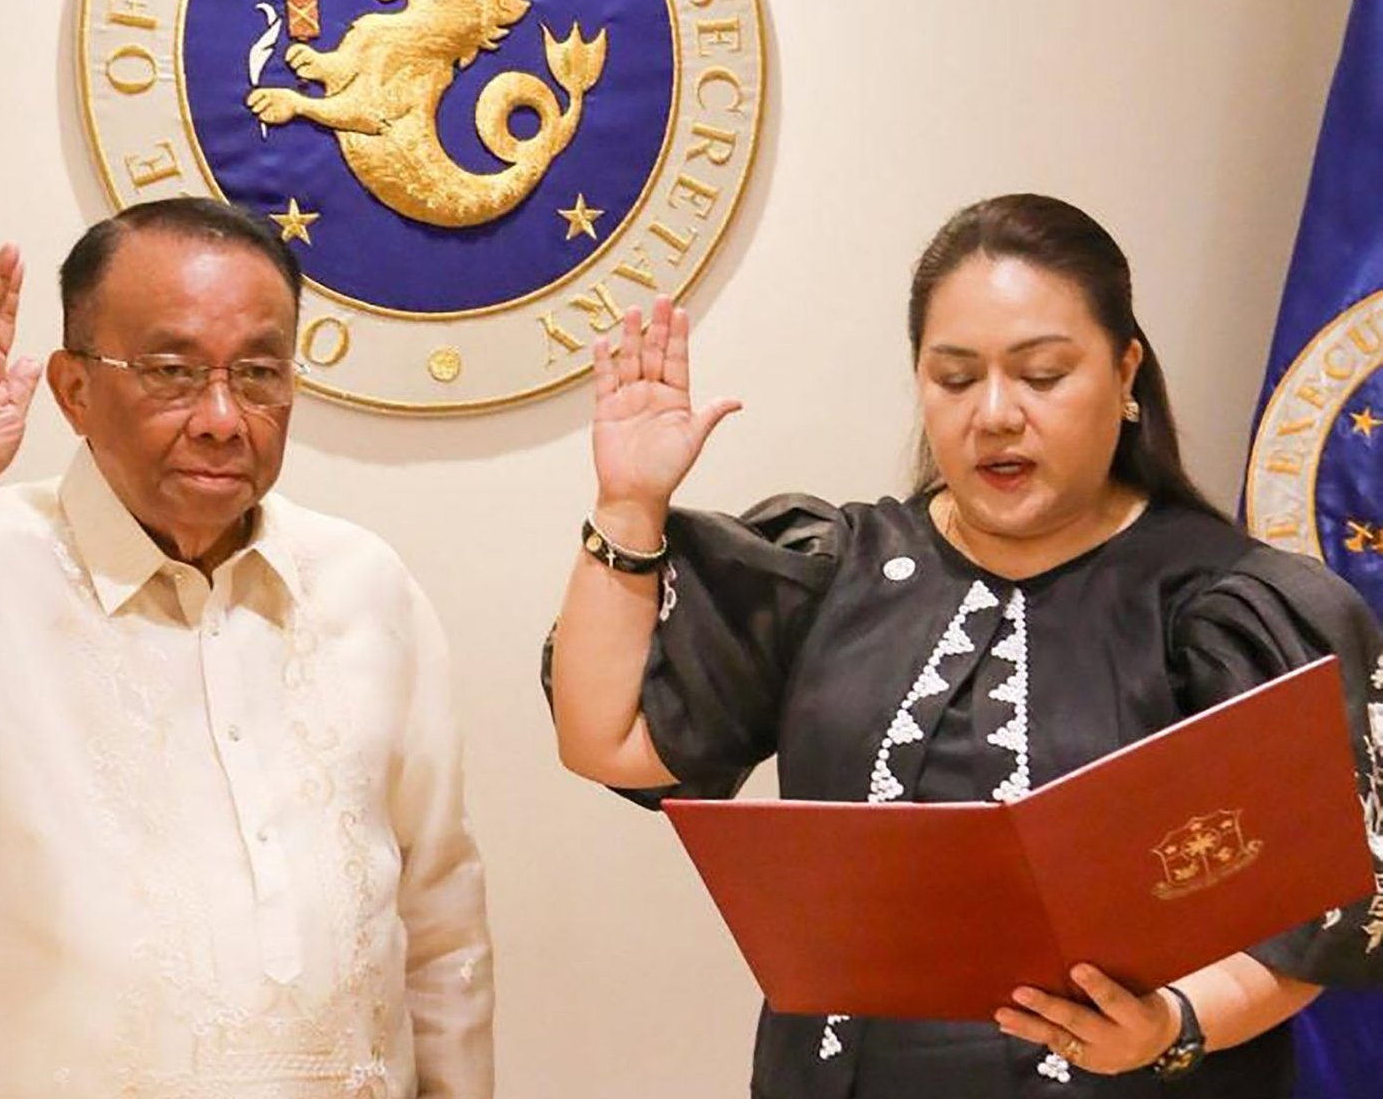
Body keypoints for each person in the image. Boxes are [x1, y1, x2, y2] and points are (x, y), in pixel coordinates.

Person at [544, 193, 1383, 1098]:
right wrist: (628, 506)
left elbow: (1310, 917)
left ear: (1125, 372)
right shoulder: (838, 567)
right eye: (954, 378)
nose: (994, 413)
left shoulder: (1227, 607)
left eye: (1042, 375)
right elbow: (608, 741)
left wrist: (1170, 1026)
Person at [0, 198, 493, 1098]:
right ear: (74, 389)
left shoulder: (364, 582)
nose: (223, 418)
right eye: (172, 372)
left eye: (259, 373)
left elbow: (440, 915)